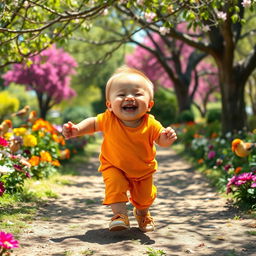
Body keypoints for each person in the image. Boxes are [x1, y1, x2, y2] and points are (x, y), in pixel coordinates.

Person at [62, 66, 177, 232]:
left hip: (142, 170)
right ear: (109, 105)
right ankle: (119, 215)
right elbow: (93, 123)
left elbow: (161, 140)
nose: (129, 98)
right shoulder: (108, 119)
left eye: (137, 94)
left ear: (150, 105)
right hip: (113, 165)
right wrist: (77, 129)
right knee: (115, 187)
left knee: (144, 198)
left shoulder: (151, 124)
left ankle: (142, 214)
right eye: (121, 94)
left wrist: (166, 139)